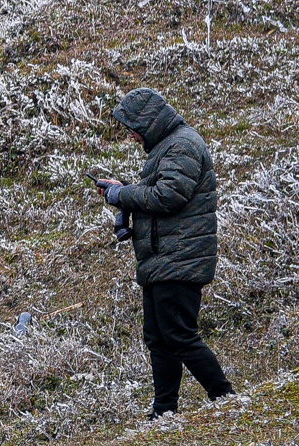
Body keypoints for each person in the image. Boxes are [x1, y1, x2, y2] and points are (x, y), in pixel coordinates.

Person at [92, 88, 234, 417]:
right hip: (163, 259)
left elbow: (169, 196)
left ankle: (225, 396)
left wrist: (121, 195)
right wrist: (122, 190)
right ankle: (164, 411)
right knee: (159, 337)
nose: (131, 134)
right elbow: (159, 190)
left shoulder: (182, 144)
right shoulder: (168, 147)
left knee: (179, 335)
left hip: (179, 258)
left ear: (147, 122)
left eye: (132, 127)